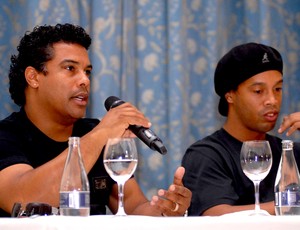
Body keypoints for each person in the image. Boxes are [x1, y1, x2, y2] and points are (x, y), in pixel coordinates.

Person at [0, 23, 191, 217]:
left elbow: (135, 208)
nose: (85, 80)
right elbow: (22, 199)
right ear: (33, 77)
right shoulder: (6, 136)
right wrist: (102, 133)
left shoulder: (93, 131)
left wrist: (165, 211)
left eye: (87, 71)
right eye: (70, 68)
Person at [182, 42, 300, 216]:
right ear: (230, 95)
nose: (272, 100)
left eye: (277, 89)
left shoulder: (291, 153)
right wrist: (291, 204)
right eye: (259, 91)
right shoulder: (207, 155)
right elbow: (217, 216)